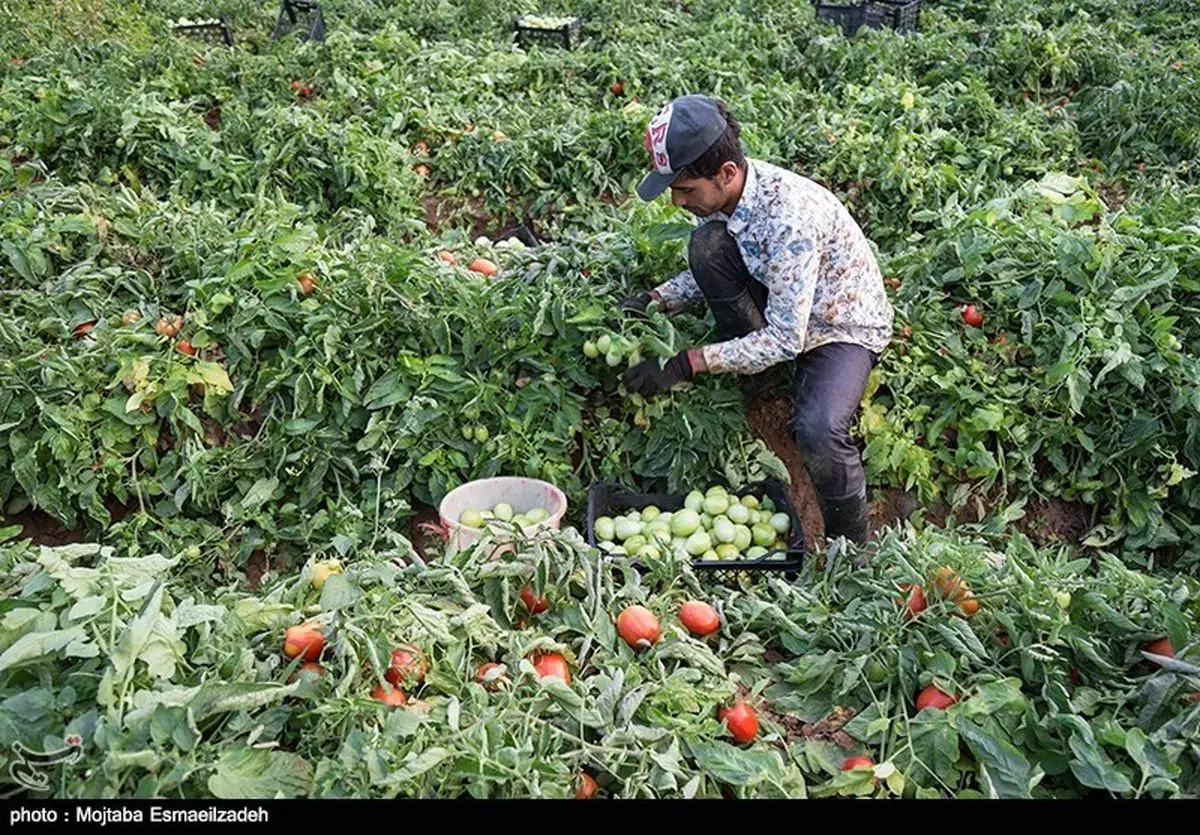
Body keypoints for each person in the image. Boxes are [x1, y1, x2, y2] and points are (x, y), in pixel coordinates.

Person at [619, 94, 894, 545]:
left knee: (819, 429)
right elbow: (720, 263)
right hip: (786, 301)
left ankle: (851, 547)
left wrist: (687, 363)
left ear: (725, 174)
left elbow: (788, 338)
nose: (676, 201)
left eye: (685, 190)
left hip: (838, 326)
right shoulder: (735, 190)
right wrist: (655, 299)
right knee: (707, 246)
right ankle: (760, 383)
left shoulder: (790, 218)